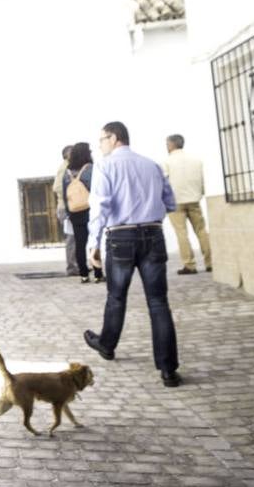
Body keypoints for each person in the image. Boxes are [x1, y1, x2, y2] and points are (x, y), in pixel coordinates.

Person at [82, 121, 182, 387]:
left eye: (102, 139)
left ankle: (107, 345)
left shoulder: (106, 165)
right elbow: (170, 202)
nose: (100, 145)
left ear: (114, 138)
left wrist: (93, 244)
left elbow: (100, 205)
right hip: (153, 234)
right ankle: (168, 369)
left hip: (121, 237)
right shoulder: (152, 165)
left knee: (116, 297)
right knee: (158, 302)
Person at [163, 134, 212, 275]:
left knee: (181, 233)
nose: (166, 146)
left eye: (167, 144)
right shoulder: (196, 160)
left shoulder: (167, 162)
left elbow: (165, 184)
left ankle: (189, 265)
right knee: (201, 230)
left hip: (176, 202)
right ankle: (210, 262)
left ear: (171, 145)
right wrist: (200, 194)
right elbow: (202, 181)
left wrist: (165, 201)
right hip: (194, 200)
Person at [62, 142, 103, 283]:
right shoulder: (89, 169)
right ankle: (98, 273)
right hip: (89, 210)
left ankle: (84, 275)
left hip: (74, 212)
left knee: (80, 243)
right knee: (94, 242)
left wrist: (69, 212)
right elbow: (96, 190)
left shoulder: (67, 172)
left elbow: (64, 194)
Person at [52, 145, 79, 275]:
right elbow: (56, 187)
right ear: (67, 155)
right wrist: (71, 194)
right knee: (72, 238)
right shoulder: (65, 167)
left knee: (77, 237)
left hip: (70, 206)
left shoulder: (71, 167)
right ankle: (72, 267)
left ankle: (77, 265)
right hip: (66, 207)